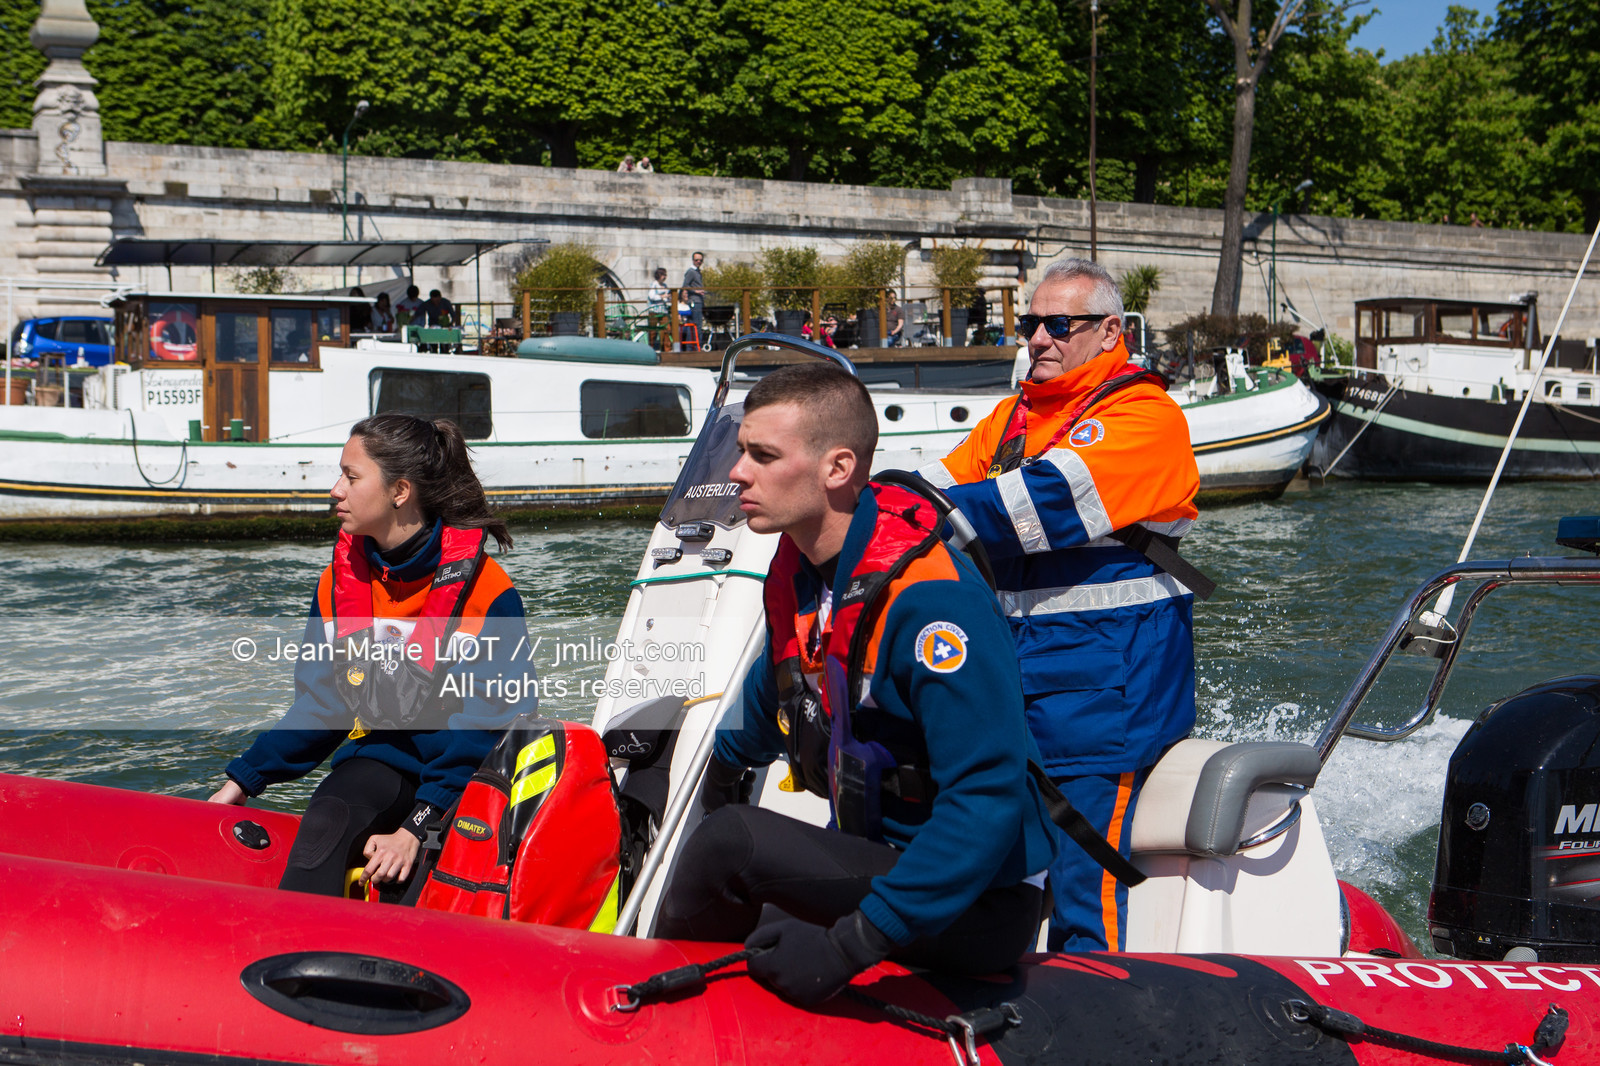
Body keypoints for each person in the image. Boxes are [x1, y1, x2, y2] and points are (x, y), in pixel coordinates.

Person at [657, 364, 1057, 1007]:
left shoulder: (933, 608)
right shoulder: (806, 571)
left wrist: (853, 945)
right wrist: (721, 766)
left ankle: (644, 1013)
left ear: (837, 469)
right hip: (876, 858)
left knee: (735, 843)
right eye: (741, 453)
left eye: (763, 456)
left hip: (979, 900)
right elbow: (780, 684)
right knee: (739, 904)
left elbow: (986, 799)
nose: (737, 473)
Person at [917, 257, 1200, 953]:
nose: (1038, 338)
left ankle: (1097, 1009)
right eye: (1031, 323)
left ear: (1109, 332)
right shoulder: (1015, 417)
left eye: (1057, 324)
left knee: (1085, 882)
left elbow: (1036, 504)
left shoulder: (1143, 415)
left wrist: (894, 516)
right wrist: (883, 508)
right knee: (982, 855)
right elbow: (938, 489)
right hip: (1020, 680)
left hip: (1106, 692)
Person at [209, 414, 537, 898]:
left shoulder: (488, 593)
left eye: (351, 476)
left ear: (400, 491)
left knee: (412, 876)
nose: (335, 490)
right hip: (381, 764)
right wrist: (242, 781)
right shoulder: (336, 587)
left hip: (464, 784)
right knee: (325, 824)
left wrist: (415, 830)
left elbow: (486, 729)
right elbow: (324, 705)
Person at [682, 251, 706, 332]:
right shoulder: (691, 271)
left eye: (700, 260)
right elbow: (685, 285)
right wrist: (696, 291)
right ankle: (694, 344)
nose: (698, 262)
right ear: (693, 260)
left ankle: (696, 343)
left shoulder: (698, 271)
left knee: (697, 324)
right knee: (696, 324)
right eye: (696, 260)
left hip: (699, 300)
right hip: (694, 301)